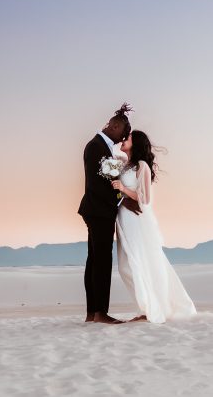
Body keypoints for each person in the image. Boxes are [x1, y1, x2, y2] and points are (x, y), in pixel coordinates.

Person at [110, 129, 197, 323]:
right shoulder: (124, 164)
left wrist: (123, 189)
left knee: (137, 261)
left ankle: (150, 308)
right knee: (125, 265)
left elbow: (145, 199)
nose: (124, 140)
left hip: (136, 219)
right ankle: (147, 306)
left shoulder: (142, 166)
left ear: (137, 143)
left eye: (128, 138)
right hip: (123, 217)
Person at [76, 104, 141, 324]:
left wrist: (122, 193)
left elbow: (112, 180)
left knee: (94, 261)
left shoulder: (102, 148)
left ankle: (92, 313)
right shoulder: (96, 147)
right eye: (121, 133)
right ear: (113, 126)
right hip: (99, 211)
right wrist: (122, 200)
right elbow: (100, 185)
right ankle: (100, 313)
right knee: (101, 262)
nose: (120, 138)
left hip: (96, 210)